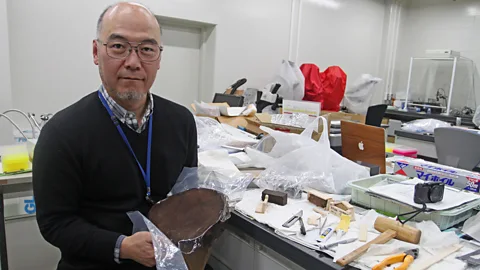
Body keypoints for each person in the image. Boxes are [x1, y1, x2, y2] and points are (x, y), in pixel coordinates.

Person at [32, 2, 198, 270]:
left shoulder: (181, 122)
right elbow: (55, 223)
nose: (133, 63)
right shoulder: (62, 133)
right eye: (119, 47)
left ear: (159, 58)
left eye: (146, 49)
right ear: (97, 52)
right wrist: (122, 247)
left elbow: (186, 194)